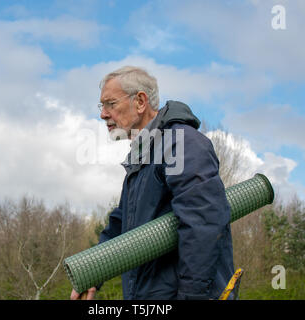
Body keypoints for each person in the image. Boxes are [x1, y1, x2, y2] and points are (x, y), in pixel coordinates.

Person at [70, 66, 234, 300]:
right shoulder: (141, 157)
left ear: (140, 101)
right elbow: (120, 223)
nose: (103, 114)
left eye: (110, 104)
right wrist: (91, 273)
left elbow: (204, 224)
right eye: (101, 106)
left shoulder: (182, 143)